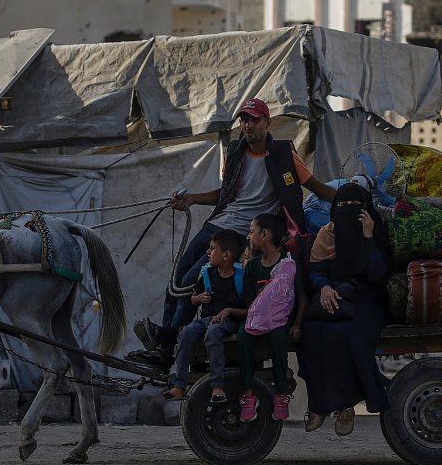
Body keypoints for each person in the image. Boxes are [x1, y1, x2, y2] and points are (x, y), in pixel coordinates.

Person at [132, 97, 336, 364]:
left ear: (267, 122)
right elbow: (225, 193)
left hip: (242, 233)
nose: (248, 125)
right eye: (244, 120)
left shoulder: (285, 155)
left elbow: (317, 187)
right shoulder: (236, 151)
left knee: (192, 281)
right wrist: (192, 198)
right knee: (177, 276)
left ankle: (168, 346)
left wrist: (351, 200)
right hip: (218, 224)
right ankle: (163, 343)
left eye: (254, 119)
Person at [297, 183, 391, 436]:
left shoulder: (376, 233)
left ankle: (346, 406)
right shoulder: (326, 235)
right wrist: (324, 288)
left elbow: (378, 275)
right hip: (334, 295)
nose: (347, 210)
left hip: (368, 301)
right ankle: (318, 405)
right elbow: (316, 271)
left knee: (348, 333)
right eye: (341, 206)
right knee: (310, 330)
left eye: (354, 206)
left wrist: (369, 237)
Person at [163, 229, 254, 401]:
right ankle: (179, 385)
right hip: (206, 319)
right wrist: (199, 298)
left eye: (212, 248)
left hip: (227, 322)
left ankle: (217, 386)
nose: (207, 253)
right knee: (187, 333)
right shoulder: (208, 275)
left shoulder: (242, 279)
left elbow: (251, 311)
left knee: (213, 334)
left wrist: (229, 311)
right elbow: (192, 299)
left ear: (226, 255)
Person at [236, 213, 300, 422]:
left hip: (281, 318)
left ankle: (281, 394)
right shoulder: (253, 266)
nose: (248, 237)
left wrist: (297, 323)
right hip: (256, 318)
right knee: (243, 337)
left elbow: (302, 297)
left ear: (264, 235)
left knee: (279, 338)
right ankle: (248, 394)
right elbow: (248, 299)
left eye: (252, 232)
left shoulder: (289, 262)